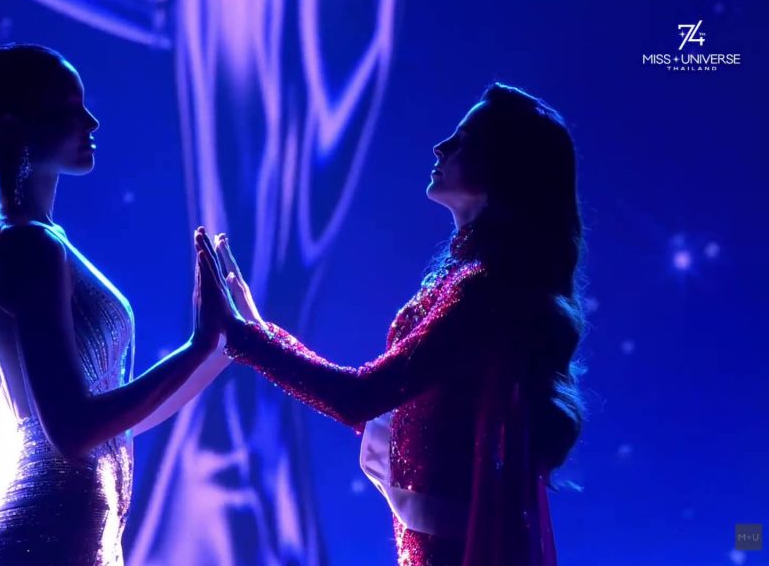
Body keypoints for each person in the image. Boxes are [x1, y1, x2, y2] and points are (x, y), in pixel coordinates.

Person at [209, 83, 587, 565]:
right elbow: (389, 409)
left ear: (502, 165)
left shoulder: (486, 287)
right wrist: (258, 330)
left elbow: (361, 397)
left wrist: (244, 338)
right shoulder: (468, 278)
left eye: (463, 140)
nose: (440, 147)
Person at [0, 43, 231, 566]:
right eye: (70, 109)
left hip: (65, 533)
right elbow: (73, 430)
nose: (91, 122)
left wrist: (222, 346)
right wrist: (200, 345)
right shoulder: (29, 244)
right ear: (15, 125)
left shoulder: (37, 240)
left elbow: (114, 427)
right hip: (49, 538)